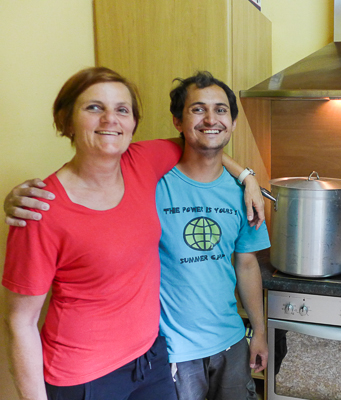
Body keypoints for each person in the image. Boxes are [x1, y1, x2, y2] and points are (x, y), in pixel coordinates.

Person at [1, 67, 263, 400]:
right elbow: (19, 323)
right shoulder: (41, 207)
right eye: (94, 107)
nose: (110, 119)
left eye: (122, 109)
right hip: (86, 375)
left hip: (150, 362)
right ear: (67, 120)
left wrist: (247, 176)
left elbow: (205, 141)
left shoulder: (142, 163)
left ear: (133, 123)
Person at [157, 71, 269, 400]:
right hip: (174, 350)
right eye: (198, 109)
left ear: (232, 123)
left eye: (221, 110)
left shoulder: (244, 195)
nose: (210, 119)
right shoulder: (153, 184)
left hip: (231, 343)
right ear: (177, 122)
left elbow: (246, 265)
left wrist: (259, 332)